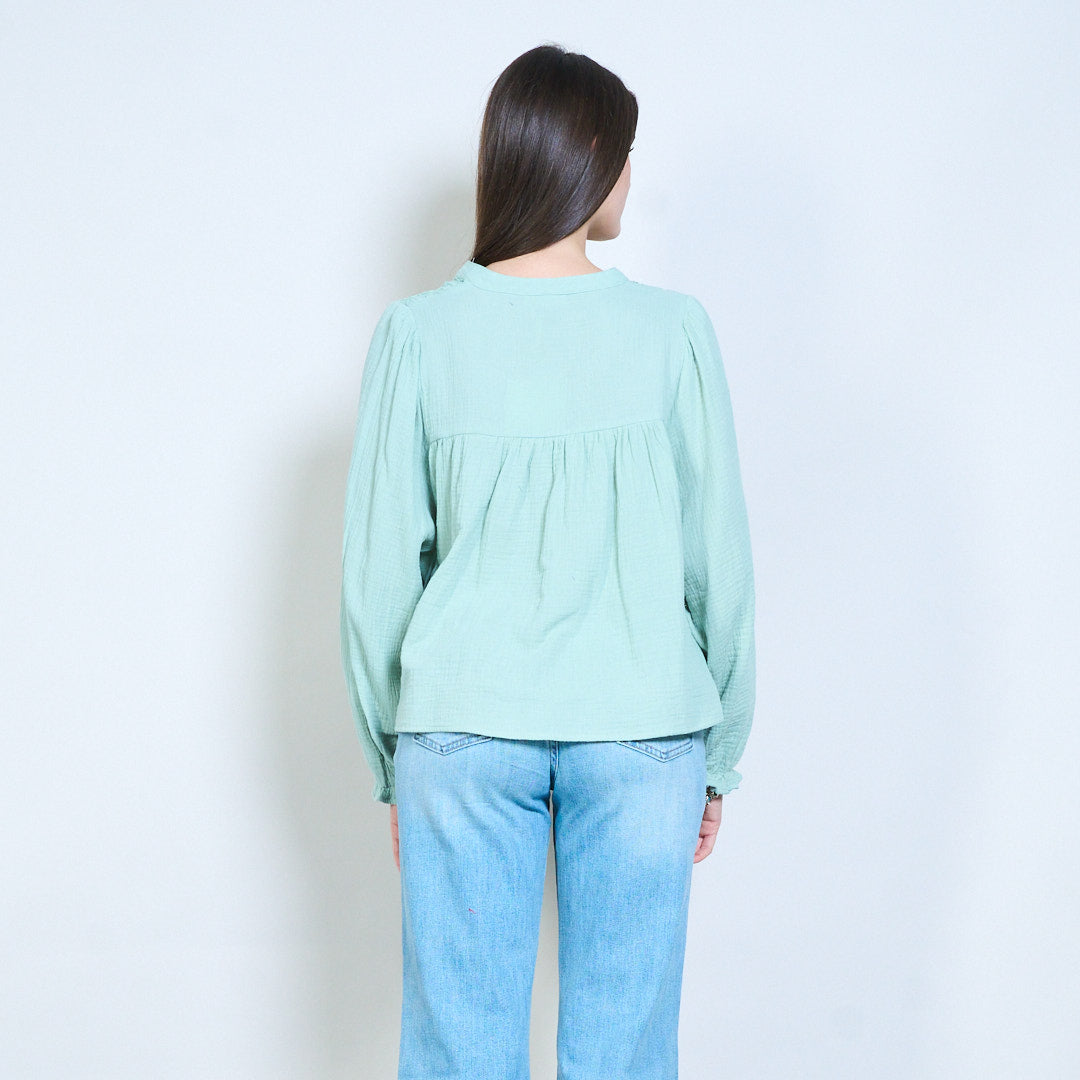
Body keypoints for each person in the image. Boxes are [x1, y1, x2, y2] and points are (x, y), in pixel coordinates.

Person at [340, 42, 756, 1080]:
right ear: (593, 156)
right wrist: (719, 752)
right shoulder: (673, 332)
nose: (631, 179)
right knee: (625, 1055)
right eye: (627, 155)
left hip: (461, 730)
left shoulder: (418, 334)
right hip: (644, 725)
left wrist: (395, 764)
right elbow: (719, 561)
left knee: (459, 1052)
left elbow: (376, 580)